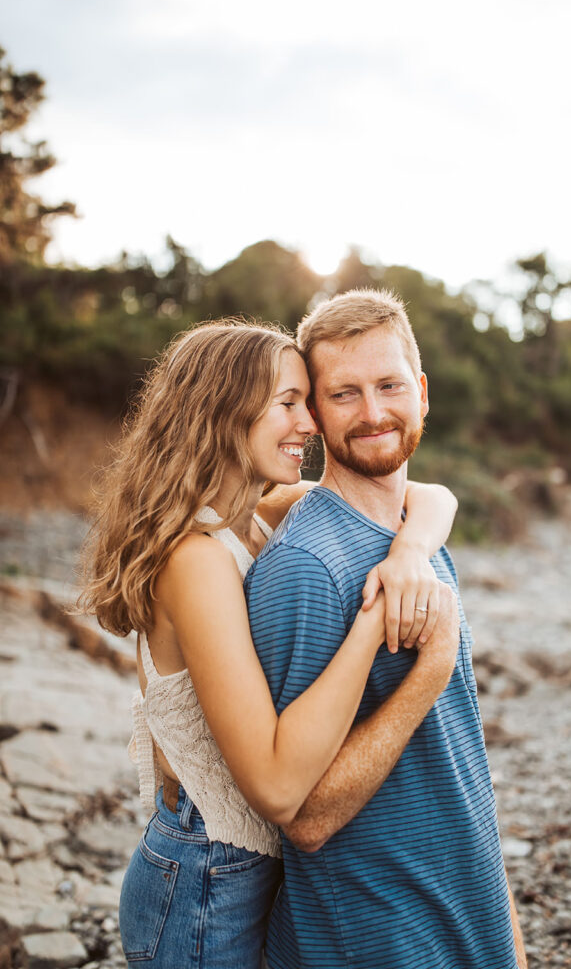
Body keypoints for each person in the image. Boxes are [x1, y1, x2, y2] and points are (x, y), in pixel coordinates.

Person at [78, 317, 460, 969]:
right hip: (203, 886)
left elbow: (427, 494)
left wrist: (409, 553)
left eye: (306, 403)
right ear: (223, 412)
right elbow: (281, 789)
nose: (309, 424)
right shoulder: (195, 558)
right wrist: (376, 624)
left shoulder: (253, 514)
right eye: (288, 402)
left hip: (241, 876)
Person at [245, 290, 528, 969]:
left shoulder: (413, 536)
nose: (373, 413)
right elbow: (304, 817)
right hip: (376, 935)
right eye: (344, 394)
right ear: (312, 412)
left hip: (463, 908)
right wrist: (428, 669)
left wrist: (504, 933)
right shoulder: (305, 569)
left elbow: (453, 759)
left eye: (389, 386)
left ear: (422, 392)